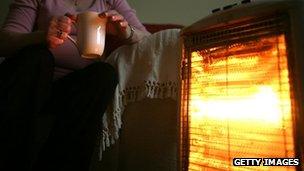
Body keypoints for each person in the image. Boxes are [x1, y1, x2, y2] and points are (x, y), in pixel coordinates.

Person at [0, 0, 150, 170]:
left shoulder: (110, 2)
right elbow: (4, 42)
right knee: (38, 57)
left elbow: (149, 40)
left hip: (72, 87)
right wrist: (42, 36)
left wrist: (126, 31)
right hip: (31, 81)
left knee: (104, 74)